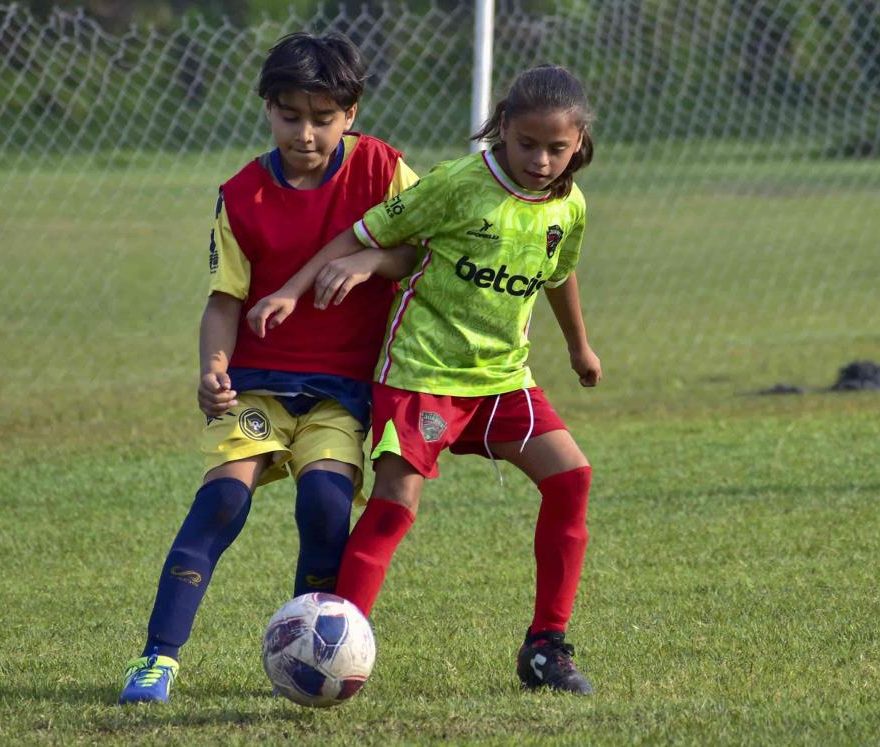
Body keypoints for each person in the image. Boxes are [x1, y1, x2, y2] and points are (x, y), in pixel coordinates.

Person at [247, 64, 602, 695]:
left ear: (579, 144)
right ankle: (332, 643)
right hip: (422, 374)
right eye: (527, 144)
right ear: (501, 131)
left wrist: (579, 347)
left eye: (557, 148)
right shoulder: (459, 184)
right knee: (395, 506)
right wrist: (295, 288)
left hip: (500, 378)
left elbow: (559, 273)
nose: (542, 160)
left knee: (571, 478)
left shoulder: (568, 204)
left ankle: (546, 646)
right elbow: (361, 233)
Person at [117, 31, 419, 704]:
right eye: (289, 115)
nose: (305, 133)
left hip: (341, 392)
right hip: (259, 384)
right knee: (222, 499)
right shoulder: (244, 195)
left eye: (322, 118)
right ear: (267, 109)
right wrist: (213, 368)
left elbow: (423, 251)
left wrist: (369, 259)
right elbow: (223, 299)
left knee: (324, 503)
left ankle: (309, 645)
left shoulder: (384, 172)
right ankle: (156, 658)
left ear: (352, 113)